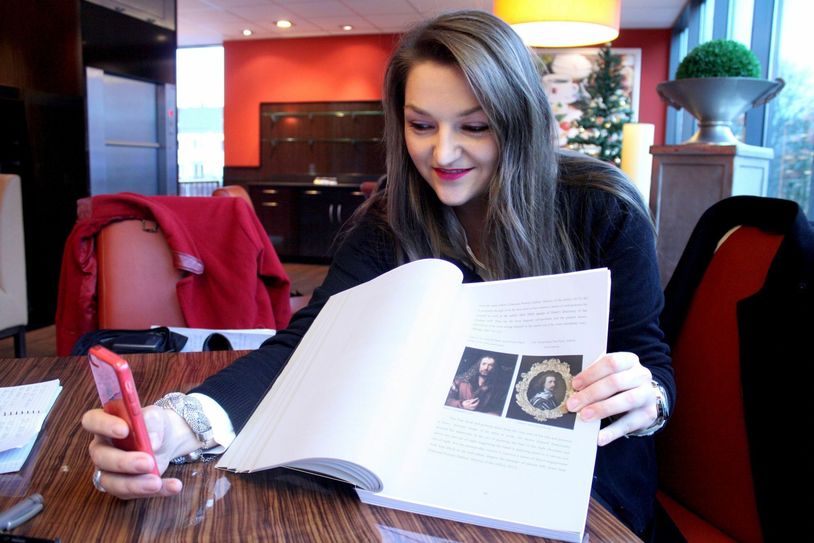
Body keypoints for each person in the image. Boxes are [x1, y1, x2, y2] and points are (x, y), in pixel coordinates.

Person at [82, 10, 674, 540]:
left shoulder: (601, 209)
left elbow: (650, 361)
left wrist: (646, 396)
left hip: (578, 478)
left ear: (518, 121)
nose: (443, 154)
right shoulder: (389, 220)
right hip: (424, 471)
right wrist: (178, 425)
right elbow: (302, 349)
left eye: (475, 126)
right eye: (422, 125)